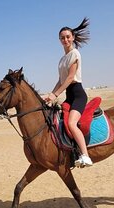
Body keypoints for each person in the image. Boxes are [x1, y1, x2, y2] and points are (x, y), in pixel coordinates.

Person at [43, 17, 93, 167]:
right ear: (59, 40)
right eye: (62, 38)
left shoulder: (75, 54)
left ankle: (85, 155)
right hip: (68, 96)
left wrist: (56, 94)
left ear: (73, 38)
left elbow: (70, 78)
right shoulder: (62, 59)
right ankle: (70, 152)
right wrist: (50, 96)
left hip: (78, 94)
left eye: (67, 37)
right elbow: (61, 80)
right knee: (58, 121)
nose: (65, 39)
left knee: (71, 123)